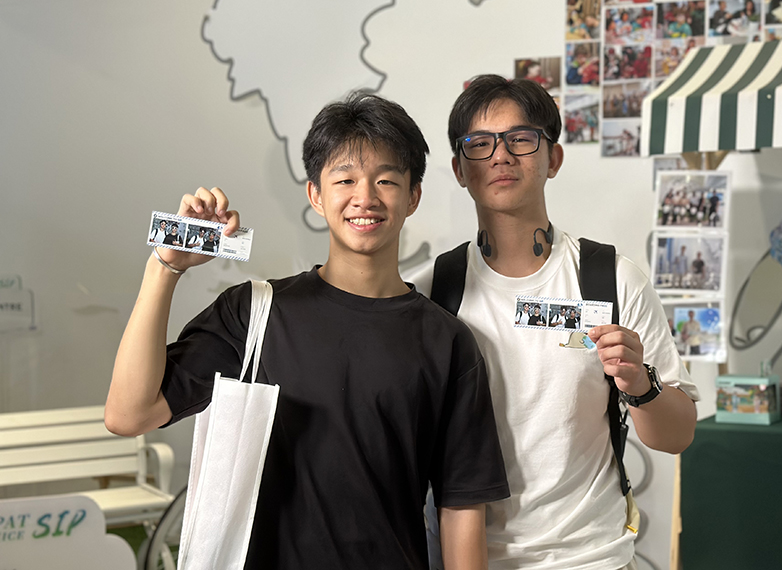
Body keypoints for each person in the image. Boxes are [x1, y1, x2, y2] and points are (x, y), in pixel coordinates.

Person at [105, 93, 510, 570]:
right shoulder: (256, 313)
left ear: (412, 196)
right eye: (345, 179)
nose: (365, 197)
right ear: (316, 194)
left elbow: (462, 506)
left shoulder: (447, 342)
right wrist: (165, 267)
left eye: (385, 180)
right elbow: (129, 414)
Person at [407, 75, 698, 569]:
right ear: (459, 169)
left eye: (521, 139)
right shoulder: (431, 293)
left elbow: (677, 436)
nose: (501, 155)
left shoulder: (612, 280)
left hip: (594, 557)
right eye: (480, 143)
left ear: (553, 158)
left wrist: (639, 384)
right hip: (469, 558)